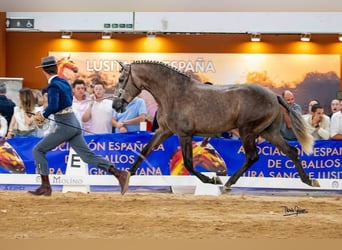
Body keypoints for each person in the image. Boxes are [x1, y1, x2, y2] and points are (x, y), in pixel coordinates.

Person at [30, 56, 129, 196]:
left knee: (38, 150)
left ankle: (45, 186)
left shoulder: (52, 86)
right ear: (56, 68)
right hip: (73, 122)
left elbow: (53, 106)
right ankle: (119, 173)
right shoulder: (64, 82)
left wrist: (41, 117)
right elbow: (66, 101)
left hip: (65, 125)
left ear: (44, 71)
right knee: (87, 156)